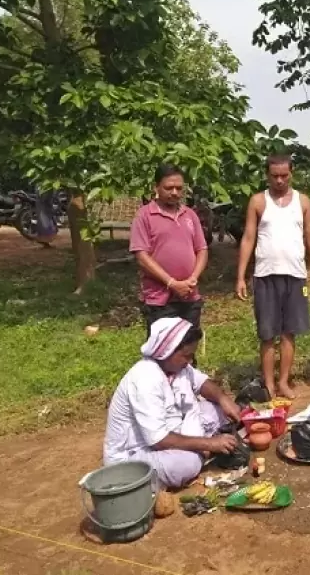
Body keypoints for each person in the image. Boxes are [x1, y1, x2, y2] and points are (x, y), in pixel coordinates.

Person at [103, 318, 243, 489]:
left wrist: (223, 399)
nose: (190, 361)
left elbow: (202, 383)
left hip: (173, 431)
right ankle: (198, 454)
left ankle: (201, 447)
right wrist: (209, 444)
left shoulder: (177, 367)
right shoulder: (145, 379)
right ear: (167, 351)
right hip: (136, 454)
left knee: (217, 409)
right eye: (186, 355)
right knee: (188, 463)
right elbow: (158, 440)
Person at [236, 154, 310, 399]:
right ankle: (269, 384)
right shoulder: (258, 201)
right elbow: (248, 239)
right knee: (267, 333)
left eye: (284, 175)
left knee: (289, 332)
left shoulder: (303, 201)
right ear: (267, 175)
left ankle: (284, 381)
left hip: (295, 275)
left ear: (291, 173)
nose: (279, 180)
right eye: (274, 176)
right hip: (265, 275)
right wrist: (241, 276)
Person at [130, 164, 208, 334]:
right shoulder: (144, 215)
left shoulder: (190, 215)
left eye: (179, 188)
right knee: (161, 349)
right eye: (168, 188)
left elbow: (201, 249)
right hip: (159, 299)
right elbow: (142, 256)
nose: (174, 192)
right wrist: (171, 283)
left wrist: (193, 279)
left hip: (189, 295)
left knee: (188, 346)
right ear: (156, 187)